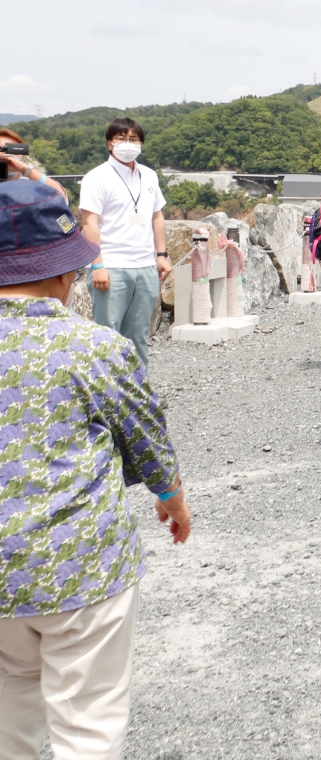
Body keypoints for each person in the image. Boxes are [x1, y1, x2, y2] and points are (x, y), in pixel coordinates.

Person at [0, 179, 191, 757]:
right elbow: (145, 432)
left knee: (10, 718)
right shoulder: (95, 347)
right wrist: (171, 499)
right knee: (88, 719)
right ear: (66, 274)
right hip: (82, 562)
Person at [78, 118, 172, 377]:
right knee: (107, 335)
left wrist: (161, 255)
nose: (128, 144)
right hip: (111, 266)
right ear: (110, 143)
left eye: (134, 139)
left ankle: (139, 394)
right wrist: (97, 264)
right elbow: (89, 223)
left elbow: (157, 217)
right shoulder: (96, 177)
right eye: (121, 139)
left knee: (139, 335)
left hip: (144, 266)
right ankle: (107, 397)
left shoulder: (149, 175)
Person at [0, 128, 68, 197]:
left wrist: (26, 169)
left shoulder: (30, 186)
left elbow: (59, 197)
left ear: (23, 158)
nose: (7, 156)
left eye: (12, 150)